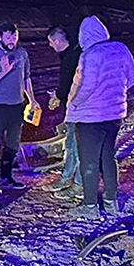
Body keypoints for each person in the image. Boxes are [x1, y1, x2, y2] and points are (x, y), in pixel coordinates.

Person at [65, 16, 134, 219]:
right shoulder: (121, 49)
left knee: (88, 162)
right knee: (108, 157)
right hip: (114, 115)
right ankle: (110, 201)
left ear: (84, 36)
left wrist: (74, 102)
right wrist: (115, 92)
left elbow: (86, 86)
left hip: (90, 117)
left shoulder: (90, 55)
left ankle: (89, 206)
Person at [0, 23, 39, 191]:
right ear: (0, 37)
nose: (12, 40)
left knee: (13, 143)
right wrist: (5, 71)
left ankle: (7, 176)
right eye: (8, 37)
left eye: (14, 36)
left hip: (17, 105)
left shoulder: (21, 53)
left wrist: (32, 99)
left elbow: (26, 78)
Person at [45, 24, 83, 195]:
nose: (50, 45)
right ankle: (68, 177)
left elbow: (69, 85)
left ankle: (78, 184)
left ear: (58, 40)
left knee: (77, 146)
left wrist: (58, 94)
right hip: (75, 108)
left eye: (51, 42)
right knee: (71, 144)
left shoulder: (71, 59)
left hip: (78, 109)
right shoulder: (74, 54)